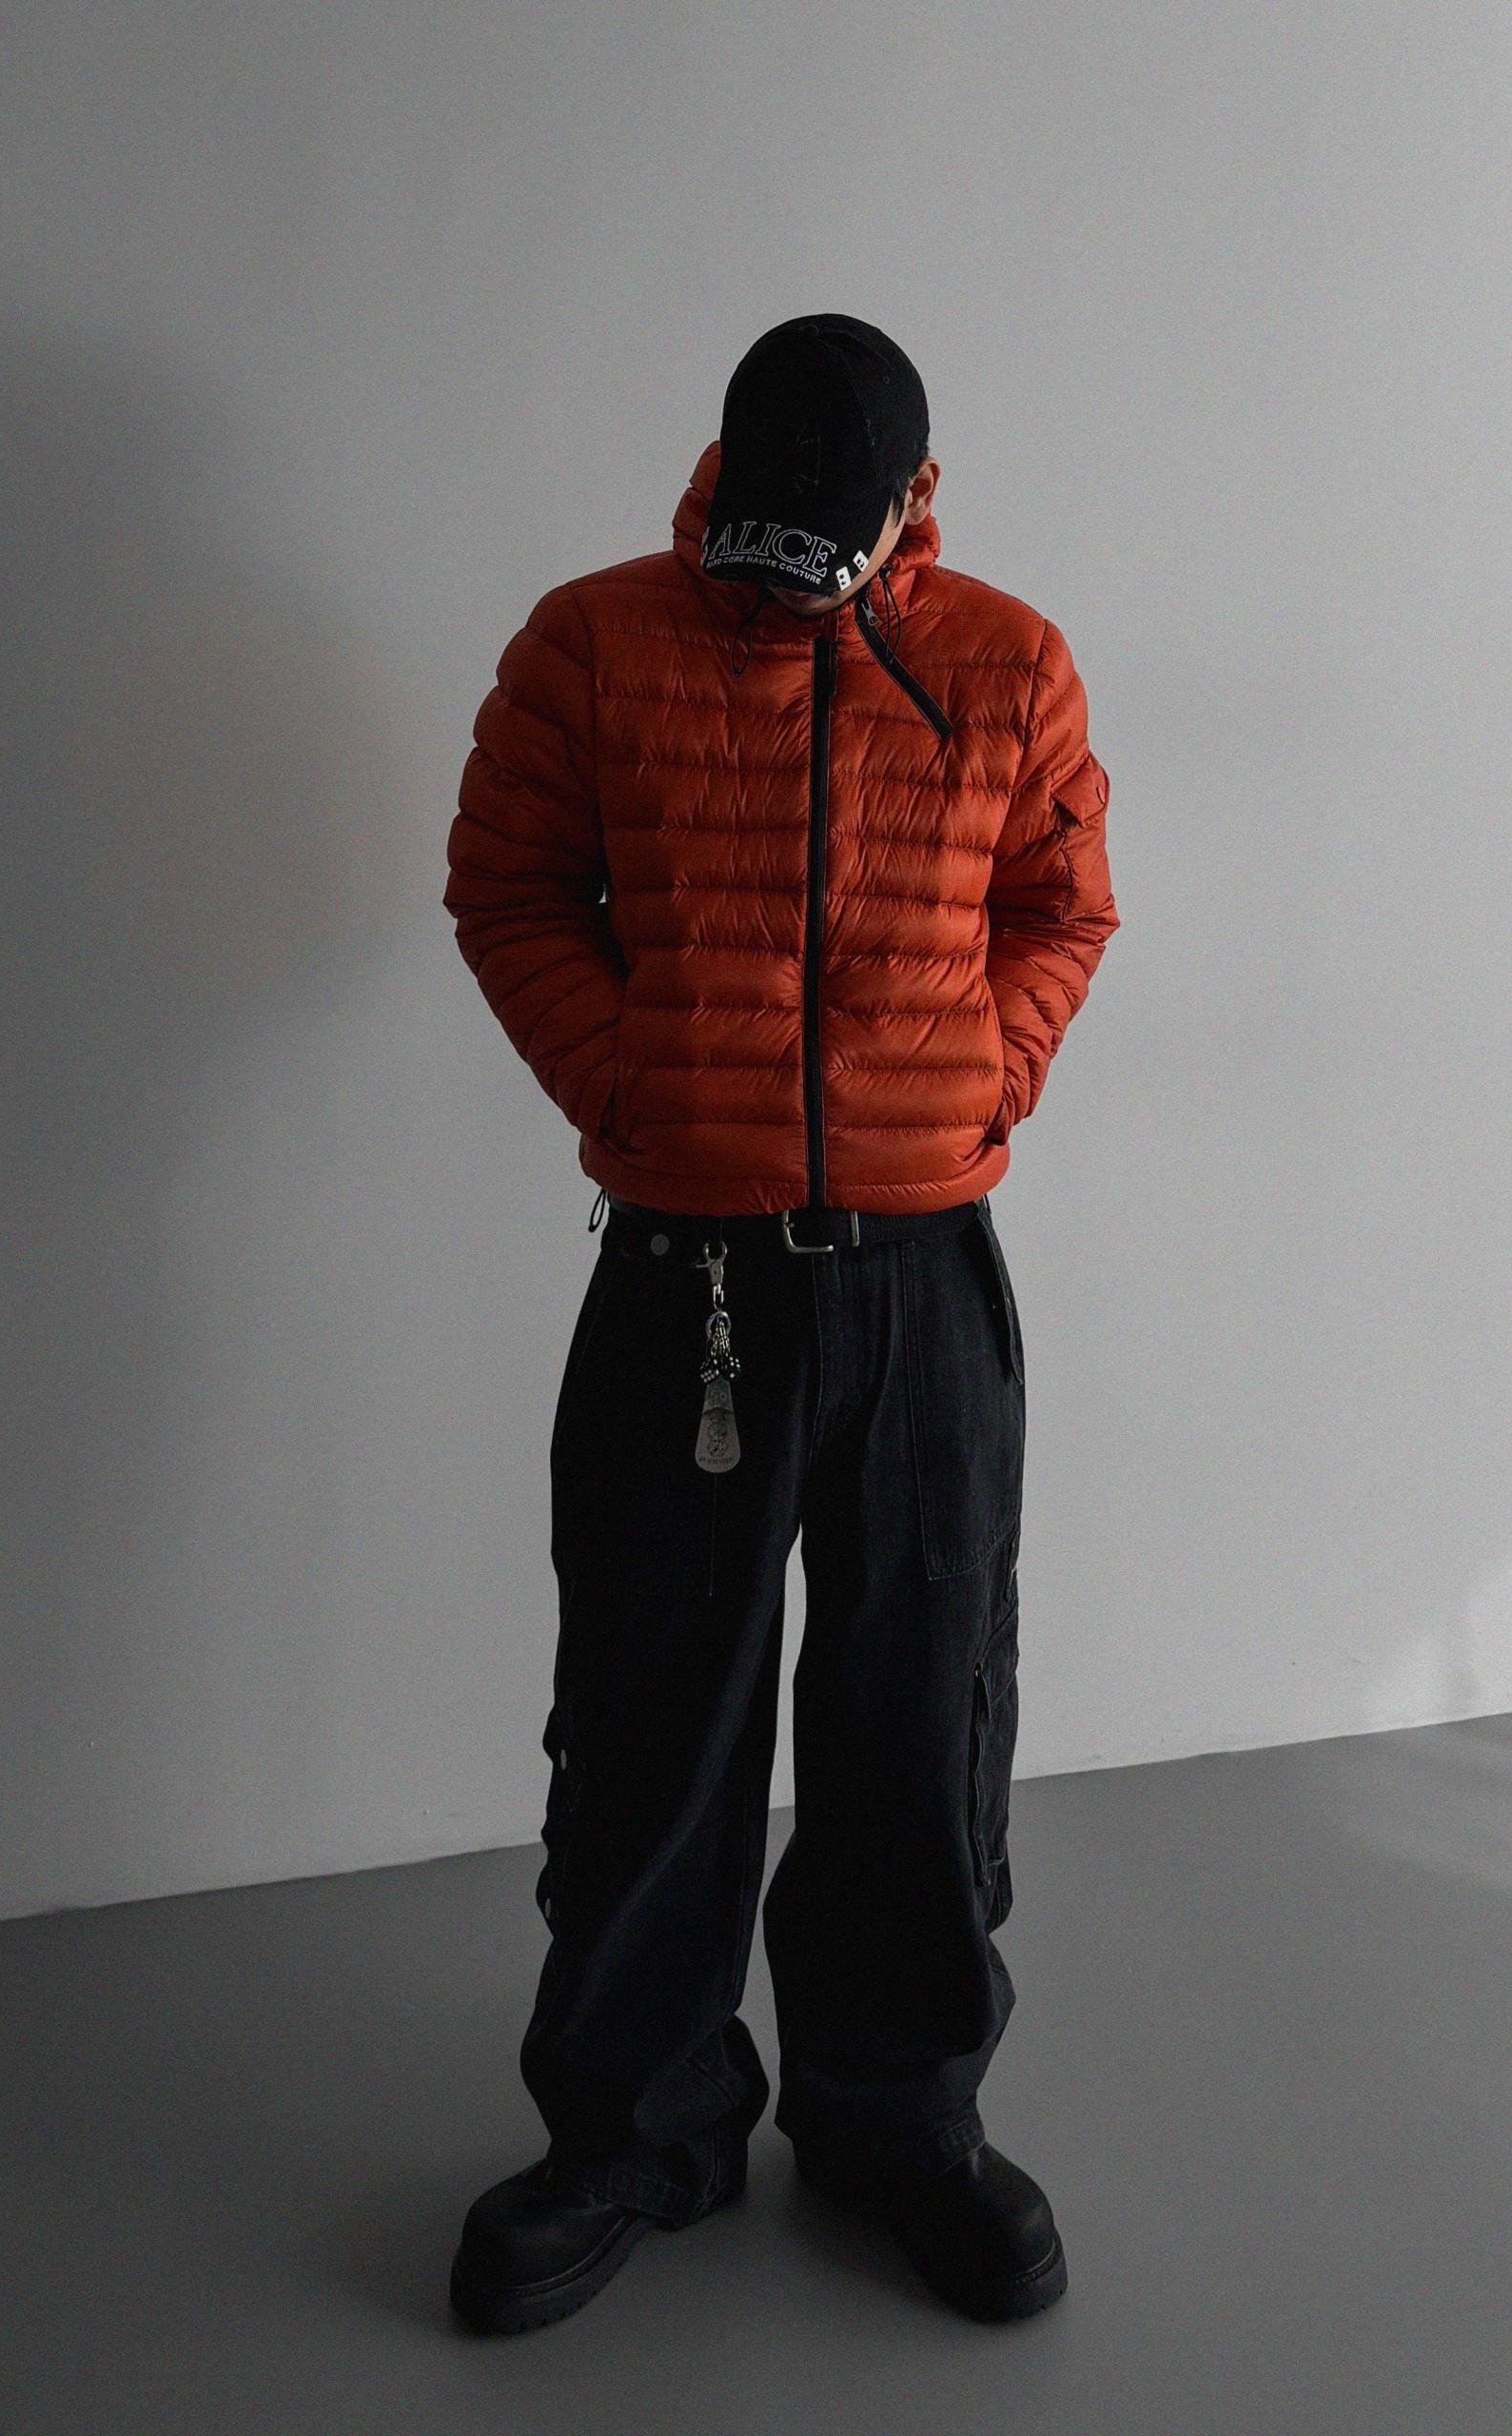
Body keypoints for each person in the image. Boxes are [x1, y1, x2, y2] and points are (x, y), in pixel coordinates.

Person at [442, 313, 1118, 2333]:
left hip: (924, 1285)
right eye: (762, 522)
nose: (790, 570)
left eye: (831, 535)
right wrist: (635, 1088)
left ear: (918, 500)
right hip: (686, 1282)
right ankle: (633, 2126)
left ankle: (900, 2117)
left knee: (922, 1711)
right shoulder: (594, 643)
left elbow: (1061, 906)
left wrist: (981, 1084)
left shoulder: (1007, 662)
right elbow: (508, 886)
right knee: (656, 1716)